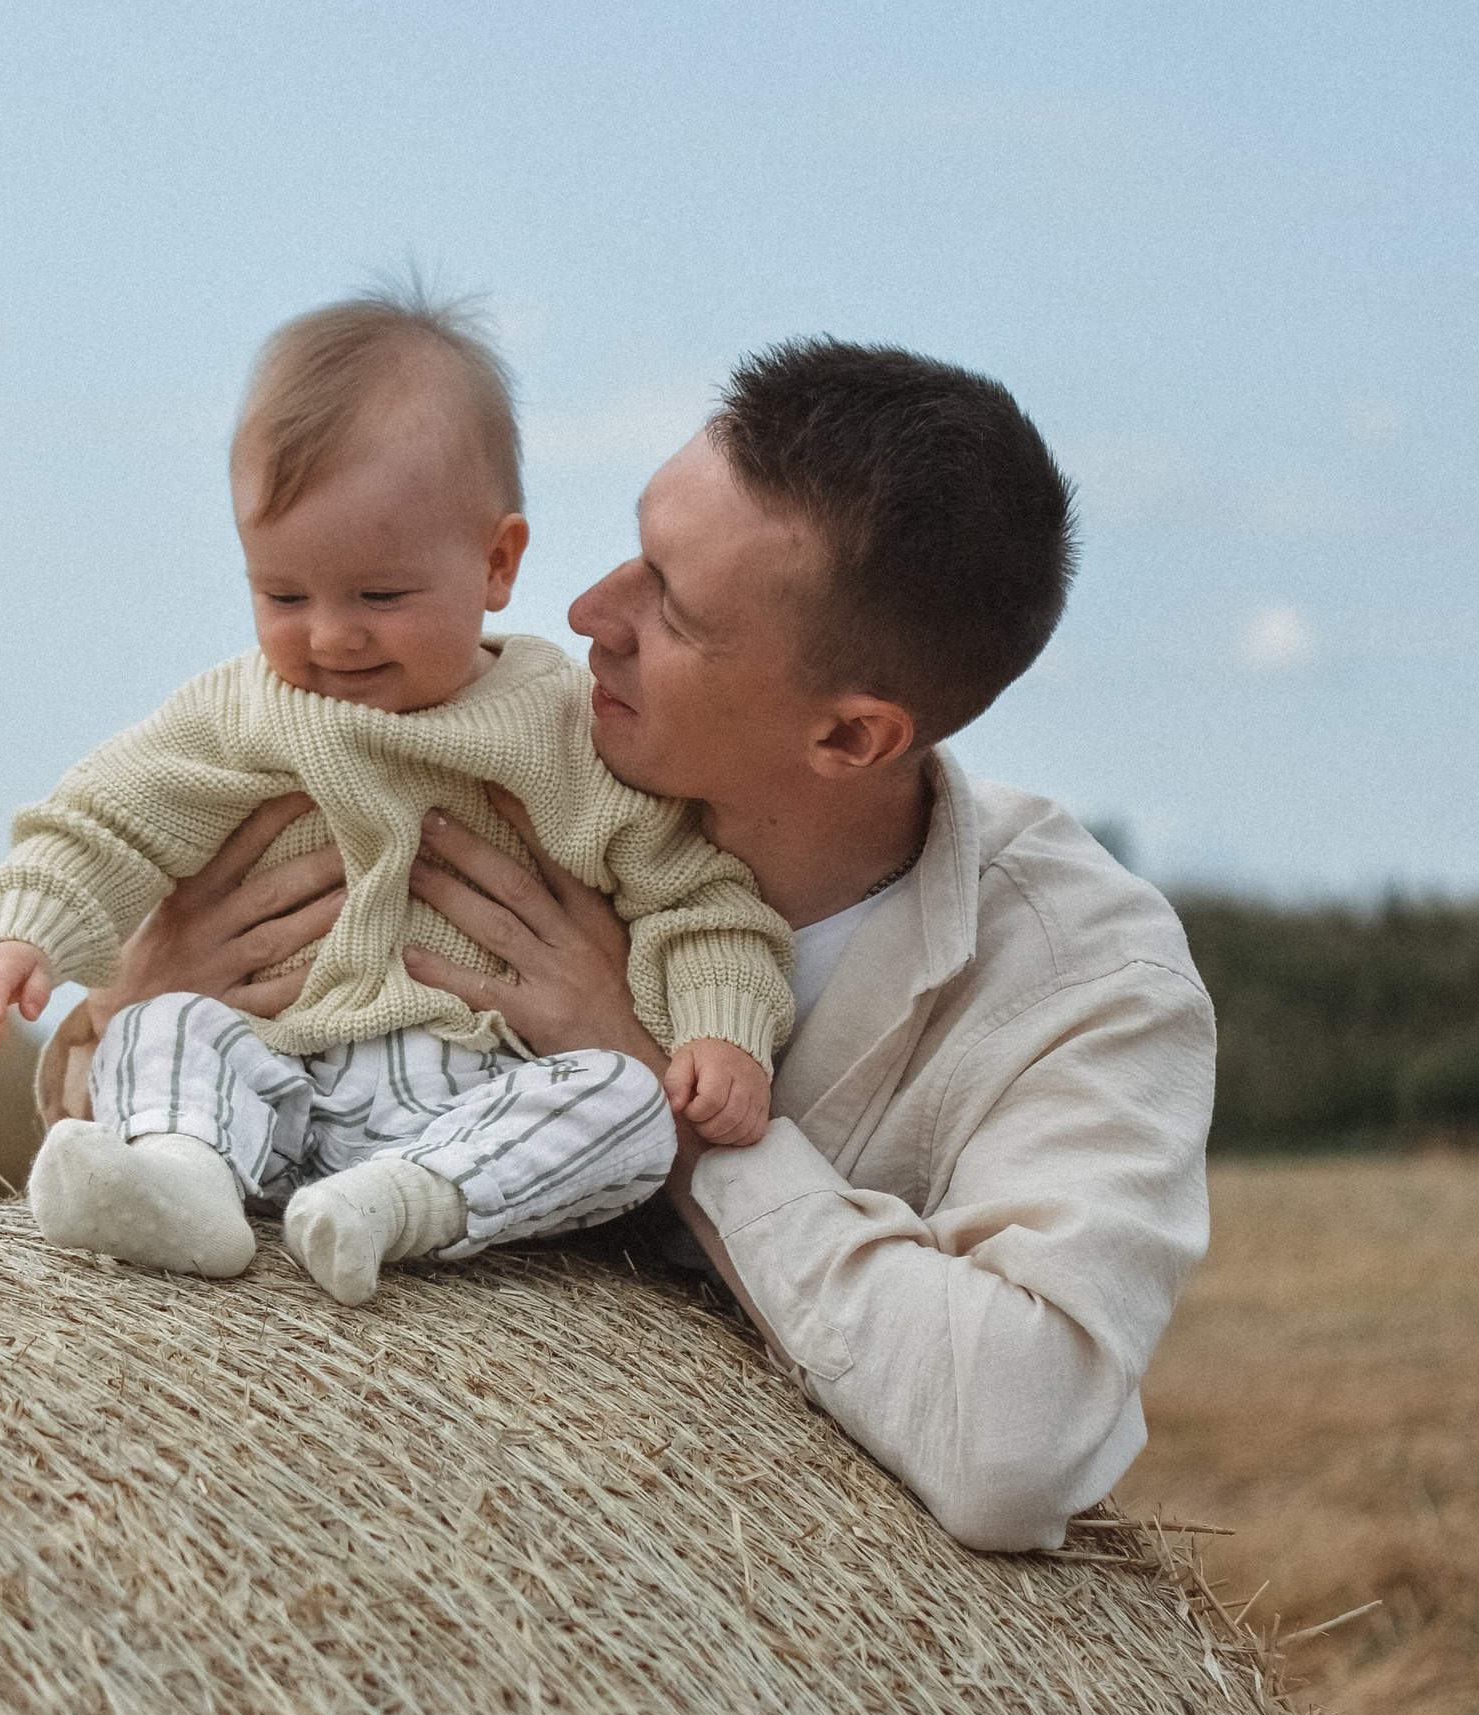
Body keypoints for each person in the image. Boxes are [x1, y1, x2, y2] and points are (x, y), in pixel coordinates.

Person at [69, 336, 1216, 1552]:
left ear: (849, 738)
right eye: (637, 547)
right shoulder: (460, 746)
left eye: (669, 604)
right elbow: (171, 1074)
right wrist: (124, 1009)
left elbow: (1012, 1444)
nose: (586, 613)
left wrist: (668, 1106)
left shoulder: (1088, 983)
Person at [0, 295, 794, 1306]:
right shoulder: (239, 711)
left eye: (381, 596)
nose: (332, 636)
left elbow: (695, 894)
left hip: (476, 1096)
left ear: (497, 563)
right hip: (268, 1074)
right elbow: (103, 822)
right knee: (154, 1022)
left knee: (628, 1102)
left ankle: (399, 1205)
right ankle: (181, 1183)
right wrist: (18, 937)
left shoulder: (563, 727)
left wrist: (721, 1029)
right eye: (283, 596)